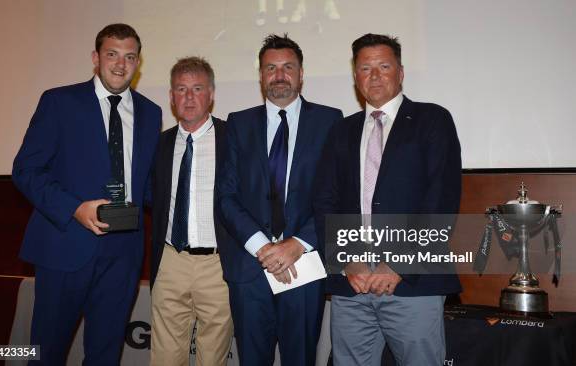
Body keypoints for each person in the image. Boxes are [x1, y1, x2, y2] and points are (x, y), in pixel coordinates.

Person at [12, 23, 161, 365]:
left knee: (105, 354)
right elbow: (25, 170)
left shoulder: (150, 113)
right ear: (96, 58)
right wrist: (74, 208)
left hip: (123, 253)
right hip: (66, 244)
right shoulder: (59, 102)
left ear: (138, 63)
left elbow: (148, 184)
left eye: (130, 57)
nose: (120, 65)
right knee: (45, 352)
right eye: (112, 55)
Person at [314, 34, 462, 365]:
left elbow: (441, 200)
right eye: (365, 68)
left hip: (413, 282)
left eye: (384, 66)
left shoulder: (432, 120)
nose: (375, 75)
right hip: (352, 283)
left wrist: (398, 263)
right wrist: (346, 260)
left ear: (401, 72)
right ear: (355, 76)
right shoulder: (341, 131)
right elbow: (324, 201)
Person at [217, 34, 343, 365]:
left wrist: (296, 244)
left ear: (301, 74)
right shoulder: (238, 123)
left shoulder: (330, 121)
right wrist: (264, 248)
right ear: (260, 76)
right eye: (270, 68)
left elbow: (337, 196)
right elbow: (226, 196)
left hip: (304, 264)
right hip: (250, 268)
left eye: (288, 67)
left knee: (300, 358)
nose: (279, 75)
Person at [149, 57, 233, 366]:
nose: (188, 97)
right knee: (165, 357)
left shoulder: (234, 138)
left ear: (211, 93)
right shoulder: (158, 145)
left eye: (197, 88)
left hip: (218, 264)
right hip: (170, 261)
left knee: (213, 358)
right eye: (181, 89)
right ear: (171, 96)